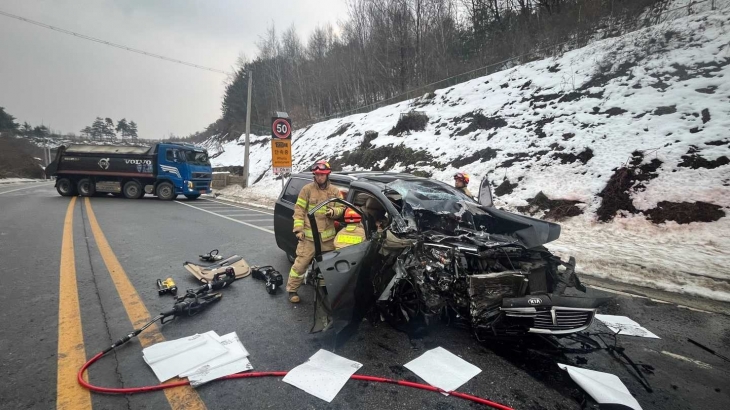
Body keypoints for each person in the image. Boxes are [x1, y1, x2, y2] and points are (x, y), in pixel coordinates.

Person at [288, 160, 345, 303]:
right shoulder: (307, 190)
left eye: (323, 174)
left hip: (328, 239)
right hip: (309, 238)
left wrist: (334, 211)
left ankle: (327, 290)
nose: (320, 177)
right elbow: (299, 211)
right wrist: (298, 230)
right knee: (300, 264)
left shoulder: (335, 191)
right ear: (315, 174)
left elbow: (343, 208)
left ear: (327, 175)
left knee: (329, 267)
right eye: (318, 174)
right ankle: (292, 290)